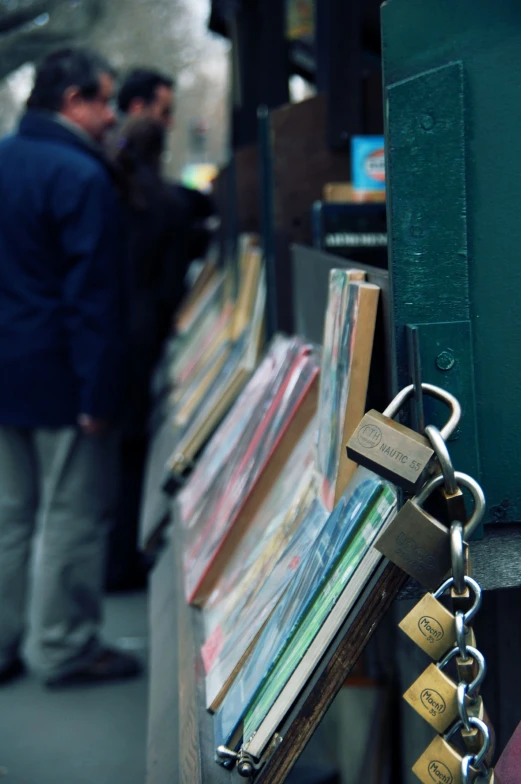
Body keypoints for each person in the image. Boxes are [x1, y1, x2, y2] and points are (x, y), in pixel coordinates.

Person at [0, 48, 141, 687]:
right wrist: (99, 393)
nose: (112, 116)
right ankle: (62, 646)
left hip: (7, 369)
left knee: (8, 514)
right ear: (72, 101)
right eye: (104, 101)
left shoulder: (5, 159)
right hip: (63, 373)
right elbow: (93, 298)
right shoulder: (81, 176)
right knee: (72, 514)